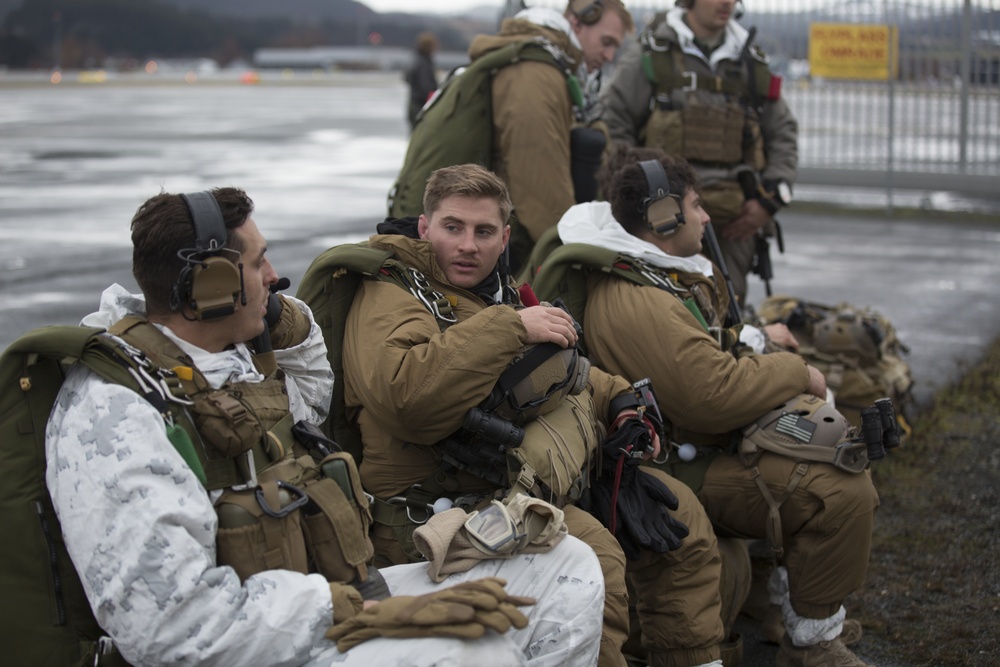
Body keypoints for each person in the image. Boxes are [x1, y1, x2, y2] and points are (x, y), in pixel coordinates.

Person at [44, 187, 606, 667]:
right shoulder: (119, 411)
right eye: (259, 263)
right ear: (209, 287)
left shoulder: (226, 364)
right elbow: (169, 628)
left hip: (323, 599)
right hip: (263, 639)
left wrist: (276, 317)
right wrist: (359, 614)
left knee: (566, 566)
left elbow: (313, 391)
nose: (274, 277)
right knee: (478, 652)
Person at [340, 163, 728, 667]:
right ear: (423, 227)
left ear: (504, 239)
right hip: (433, 510)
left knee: (680, 514)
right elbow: (408, 399)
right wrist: (511, 327)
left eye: (483, 233)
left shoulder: (495, 293)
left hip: (514, 486)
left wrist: (622, 402)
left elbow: (565, 367)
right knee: (594, 561)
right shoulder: (392, 294)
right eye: (452, 227)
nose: (467, 246)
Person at [537, 146, 879, 667]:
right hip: (670, 463)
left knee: (819, 447)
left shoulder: (651, 272)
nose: (705, 215)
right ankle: (812, 642)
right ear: (661, 217)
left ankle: (775, 604)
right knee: (841, 489)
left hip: (687, 448)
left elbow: (702, 348)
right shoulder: (636, 298)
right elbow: (711, 396)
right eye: (694, 206)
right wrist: (796, 371)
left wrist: (756, 340)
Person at [390, 0, 634, 275]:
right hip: (478, 245)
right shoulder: (535, 74)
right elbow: (539, 189)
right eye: (607, 41)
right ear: (577, 22)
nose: (610, 55)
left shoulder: (540, 62)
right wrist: (575, 261)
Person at [601, 0, 798, 305]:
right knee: (665, 306)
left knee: (728, 306)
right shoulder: (653, 56)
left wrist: (768, 201)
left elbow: (783, 132)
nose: (727, 3)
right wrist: (641, 196)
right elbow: (614, 121)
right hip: (663, 218)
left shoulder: (750, 63)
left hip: (735, 220)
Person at [405, 31, 439, 129]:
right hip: (421, 106)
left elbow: (406, 78)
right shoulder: (423, 64)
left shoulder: (415, 59)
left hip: (414, 103)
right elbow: (427, 88)